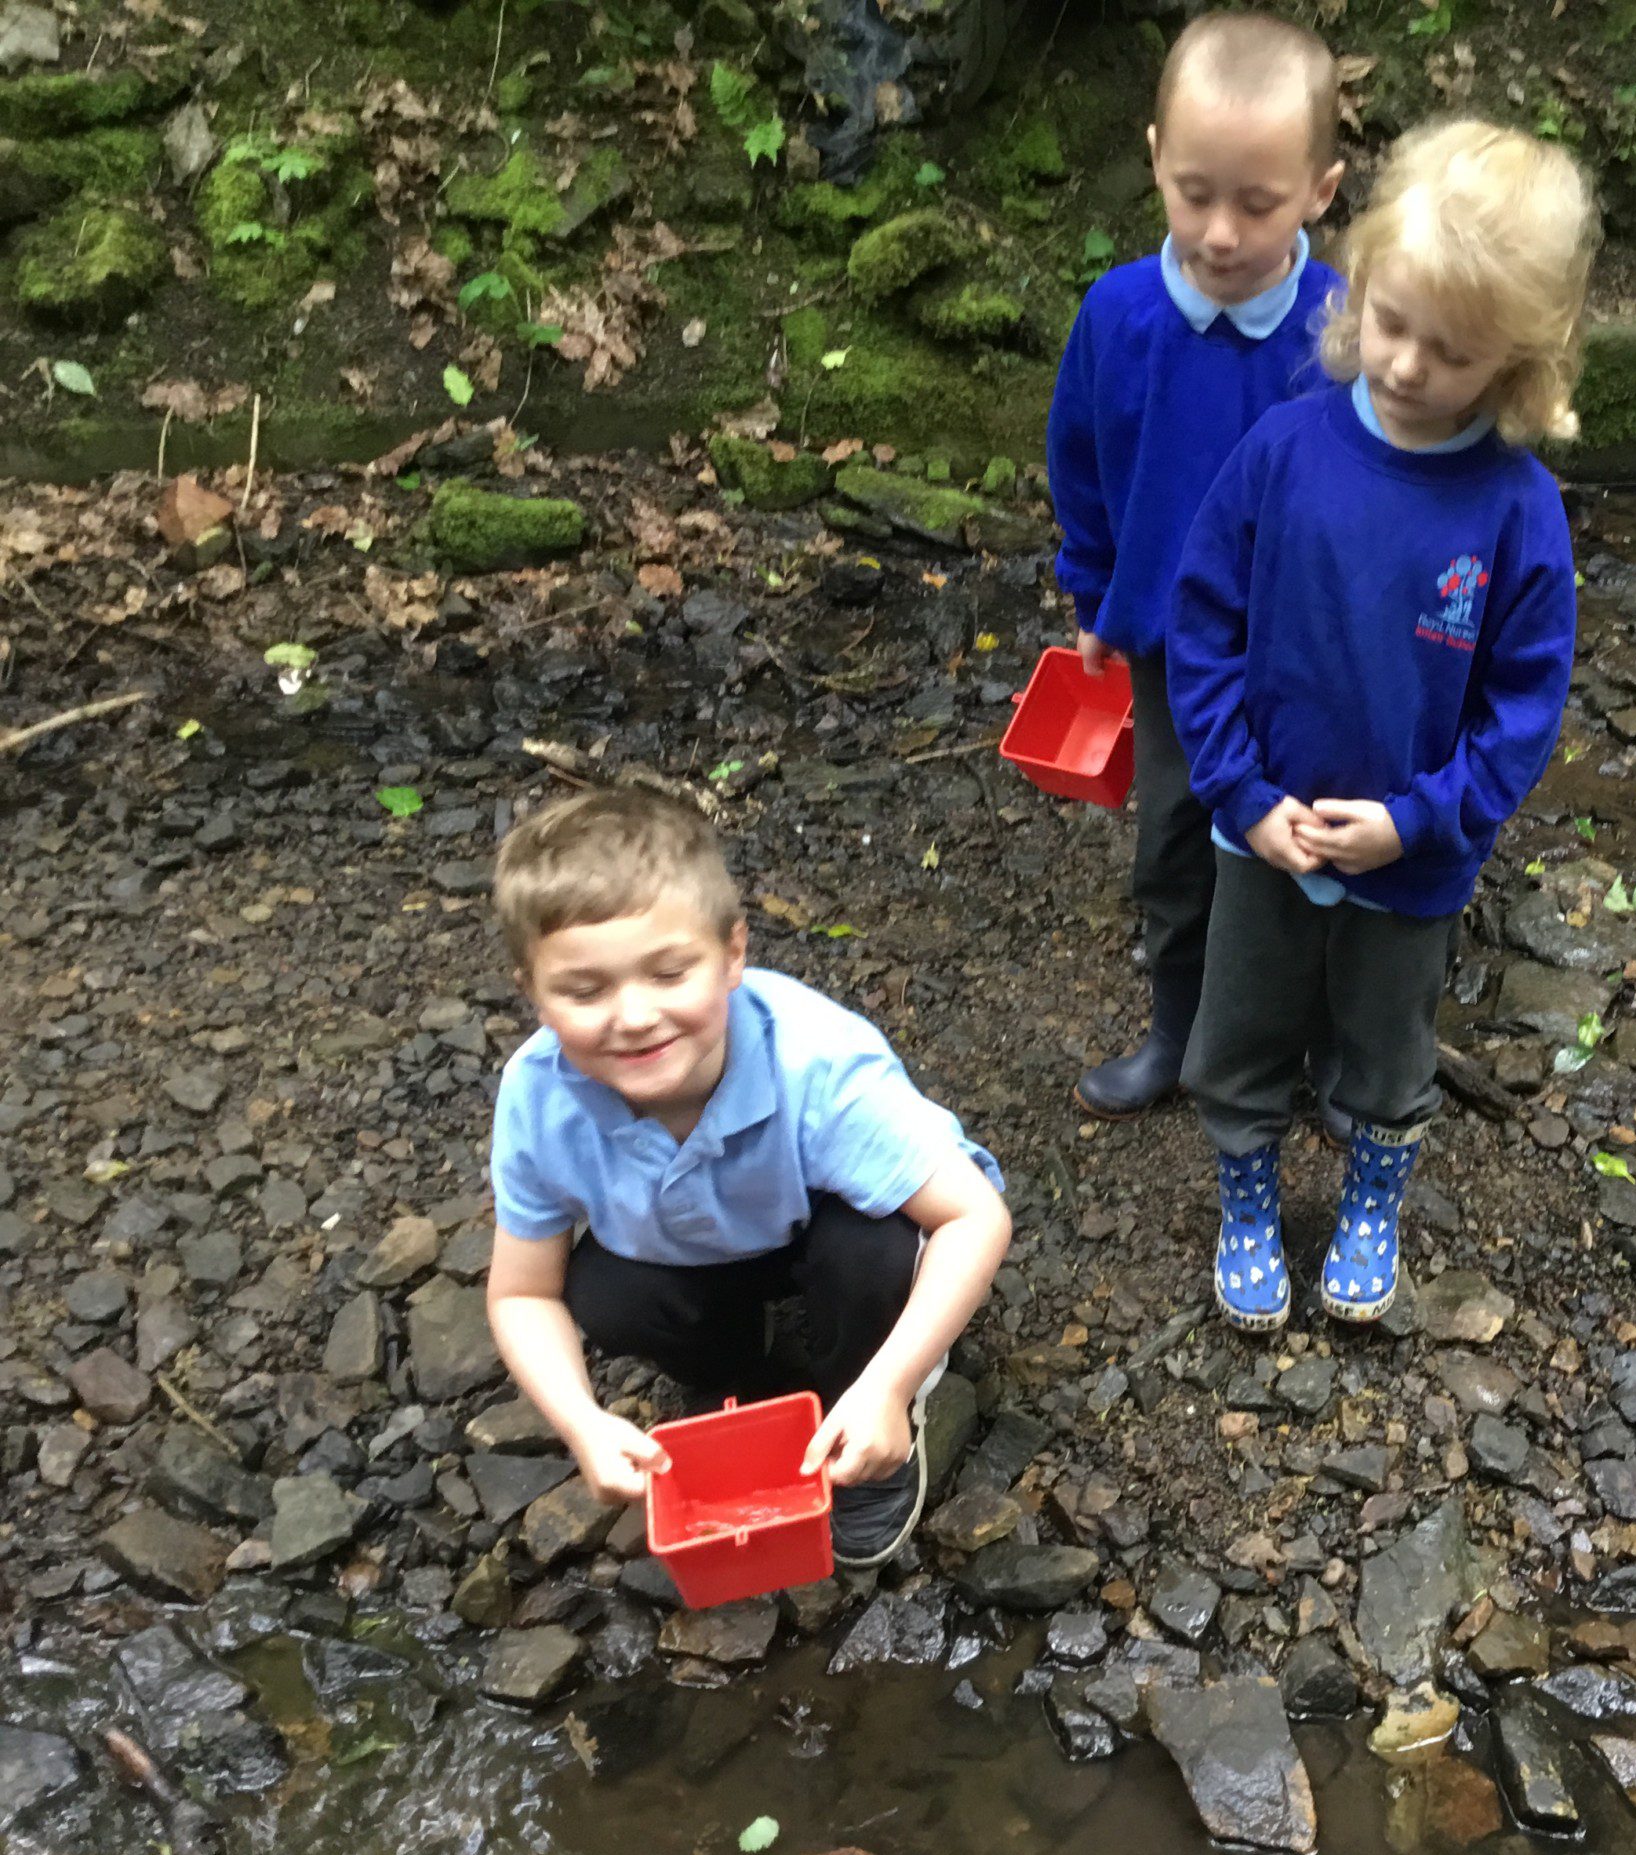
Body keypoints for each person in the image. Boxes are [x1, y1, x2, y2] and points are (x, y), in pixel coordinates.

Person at [1166, 119, 1596, 1330]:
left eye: (1449, 352)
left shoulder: (1516, 511)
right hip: (1261, 829)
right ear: (1358, 286)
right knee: (1239, 1022)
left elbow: (1524, 706)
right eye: (1389, 322)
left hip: (1412, 858)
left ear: (1516, 365)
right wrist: (1239, 794)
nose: (1405, 366)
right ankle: (1246, 1190)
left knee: (1385, 1039)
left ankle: (1371, 1192)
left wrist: (1420, 821)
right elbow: (1201, 628)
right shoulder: (1285, 451)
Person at [480, 789, 1010, 1569]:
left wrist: (888, 1387)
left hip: (820, 1222)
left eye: (668, 973)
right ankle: (738, 1379)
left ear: (732, 956)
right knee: (601, 1292)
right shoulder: (538, 1097)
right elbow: (522, 1292)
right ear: (533, 992)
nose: (632, 1016)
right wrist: (582, 1423)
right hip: (688, 1248)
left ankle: (859, 1414)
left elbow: (975, 1215)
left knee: (876, 1253)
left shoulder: (818, 1064)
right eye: (585, 991)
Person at [1046, 9, 1347, 1125]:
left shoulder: (1346, 328)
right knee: (1175, 842)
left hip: (1311, 650)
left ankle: (1305, 1046)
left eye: (1258, 204)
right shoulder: (1118, 314)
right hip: (1175, 650)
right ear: (1154, 161)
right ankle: (1177, 1028)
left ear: (1320, 188)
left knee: (1301, 846)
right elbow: (1080, 461)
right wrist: (1095, 594)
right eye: (1193, 193)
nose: (1220, 233)